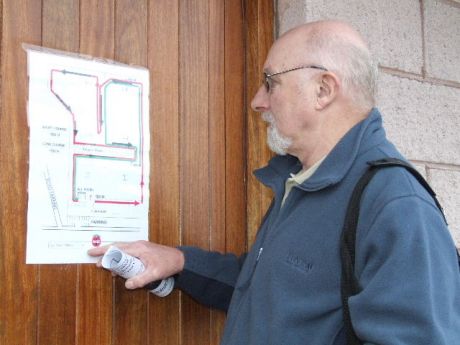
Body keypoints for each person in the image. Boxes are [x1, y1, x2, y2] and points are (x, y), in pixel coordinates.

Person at [89, 20, 460, 344]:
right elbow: (270, 288)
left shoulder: (395, 203)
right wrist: (181, 261)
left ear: (323, 90)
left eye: (270, 83)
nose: (257, 101)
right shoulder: (299, 181)